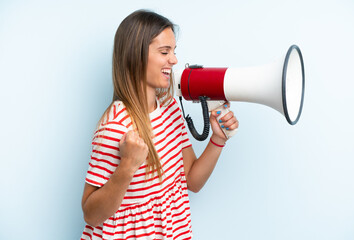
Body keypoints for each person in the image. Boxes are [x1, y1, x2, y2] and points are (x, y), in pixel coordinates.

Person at [80, 9, 239, 240]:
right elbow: (91, 216)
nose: (174, 60)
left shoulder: (170, 108)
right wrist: (127, 165)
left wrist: (218, 140)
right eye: (164, 52)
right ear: (136, 56)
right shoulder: (115, 125)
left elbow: (191, 181)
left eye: (173, 51)